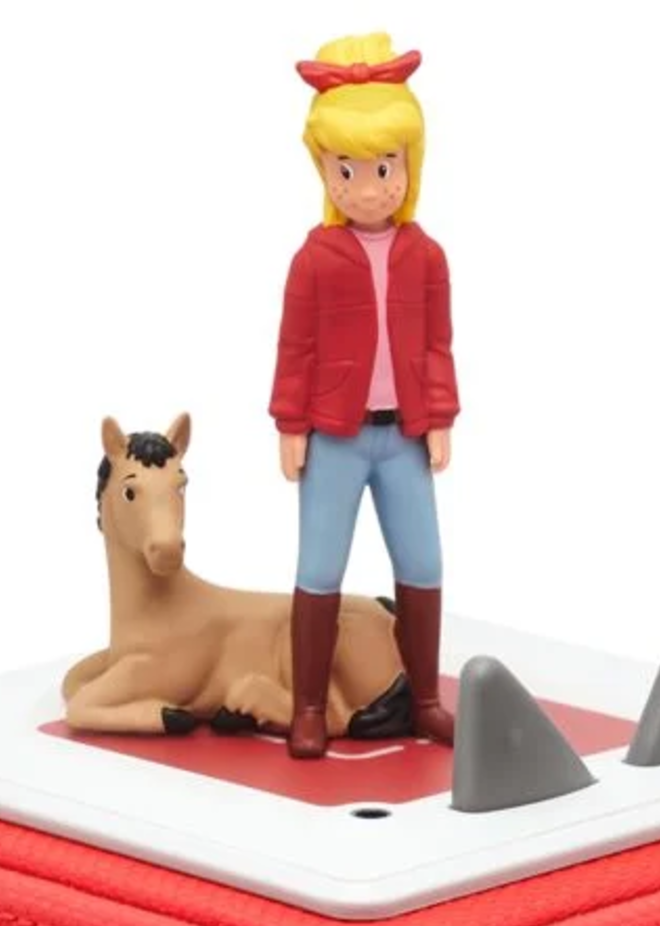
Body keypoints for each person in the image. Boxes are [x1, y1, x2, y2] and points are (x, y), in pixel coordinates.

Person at [269, 33, 460, 759]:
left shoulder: (426, 256)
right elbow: (295, 347)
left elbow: (437, 343)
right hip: (336, 438)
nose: (371, 188)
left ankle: (427, 700)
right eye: (347, 170)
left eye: (385, 168)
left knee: (423, 562)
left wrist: (439, 415)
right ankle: (309, 707)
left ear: (410, 164)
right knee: (319, 568)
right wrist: (291, 425)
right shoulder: (314, 259)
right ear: (324, 170)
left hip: (403, 437)